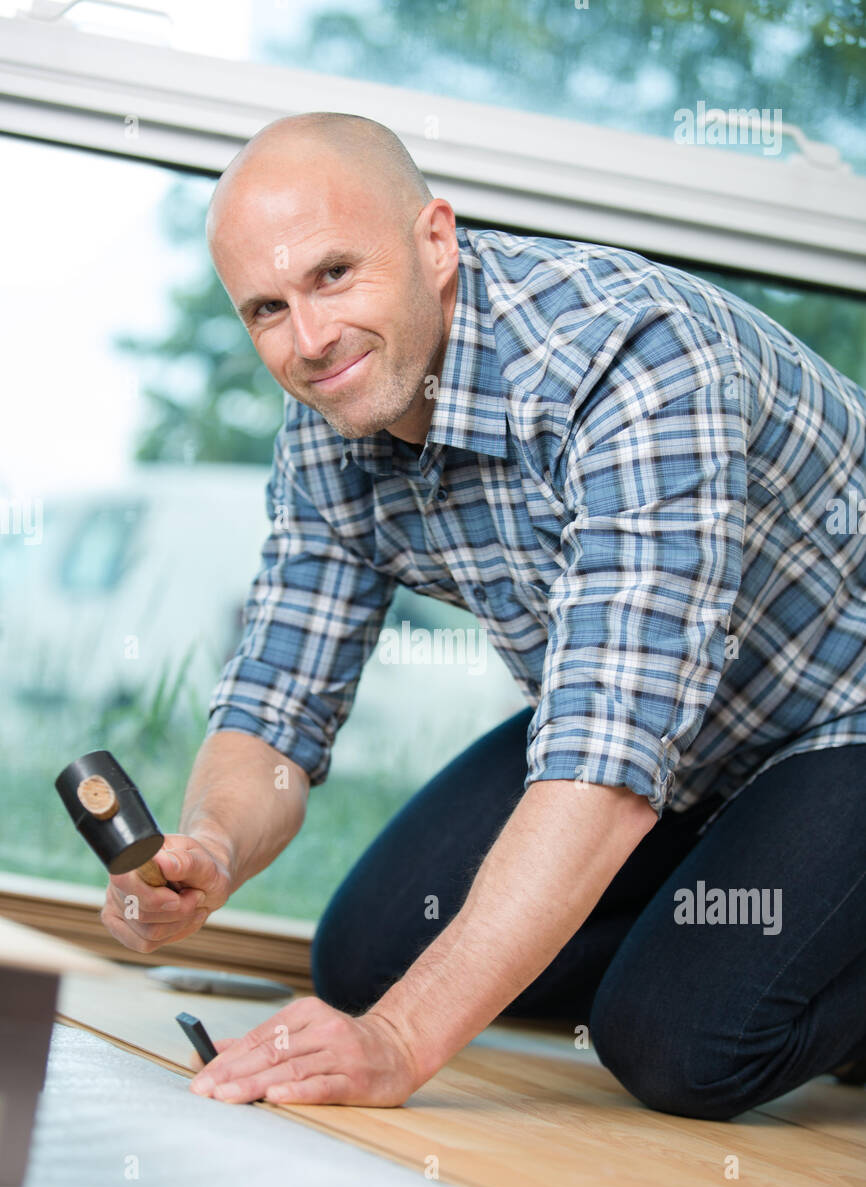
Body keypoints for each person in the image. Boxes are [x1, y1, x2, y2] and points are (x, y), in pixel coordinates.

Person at [100, 111, 866, 1118]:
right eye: (266, 309)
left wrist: (399, 1041)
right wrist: (208, 849)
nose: (310, 338)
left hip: (835, 709)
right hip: (697, 734)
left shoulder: (633, 363)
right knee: (368, 953)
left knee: (678, 1044)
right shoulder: (331, 420)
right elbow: (274, 710)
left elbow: (606, 756)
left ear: (434, 240)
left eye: (333, 274)